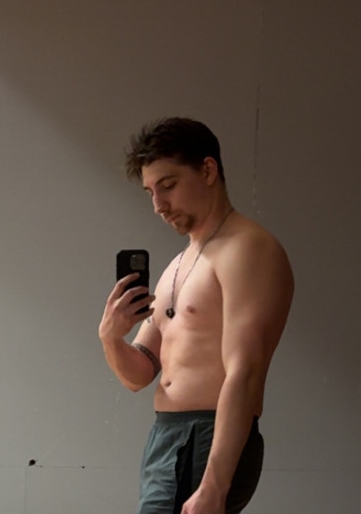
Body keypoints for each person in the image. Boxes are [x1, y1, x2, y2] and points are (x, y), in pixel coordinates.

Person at [98, 117, 294, 514]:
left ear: (207, 170)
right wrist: (111, 337)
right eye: (151, 192)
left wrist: (214, 487)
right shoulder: (179, 264)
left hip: (206, 436)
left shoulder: (247, 249)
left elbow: (245, 372)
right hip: (166, 438)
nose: (158, 205)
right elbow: (139, 375)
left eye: (168, 185)